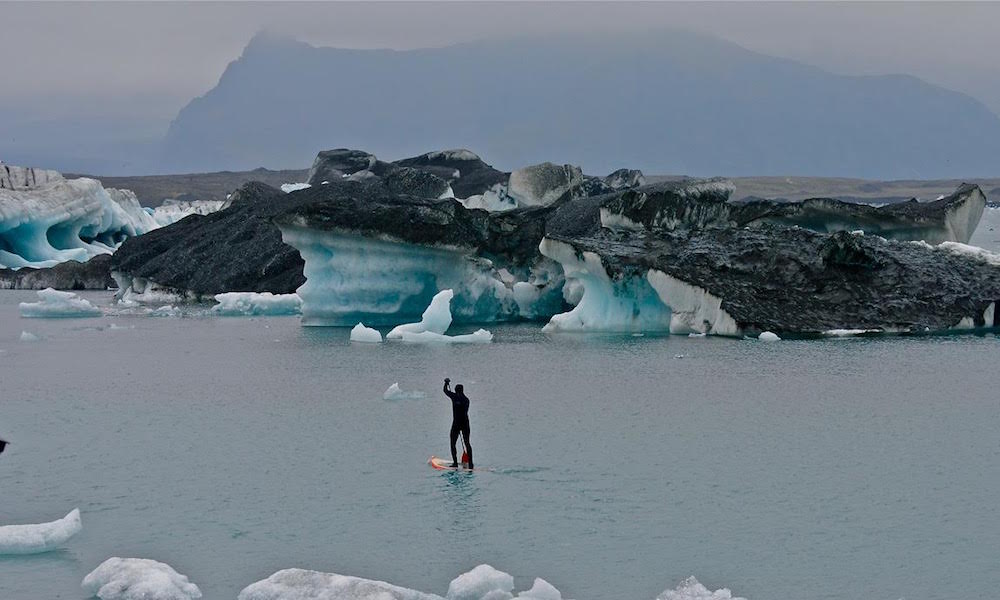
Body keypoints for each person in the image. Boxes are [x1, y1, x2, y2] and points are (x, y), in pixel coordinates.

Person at [442, 378, 473, 469]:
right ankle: (470, 464)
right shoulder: (467, 400)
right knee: (467, 443)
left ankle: (455, 463)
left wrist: (446, 383)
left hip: (456, 423)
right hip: (465, 423)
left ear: (456, 390)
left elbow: (445, 391)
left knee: (452, 443)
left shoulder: (454, 396)